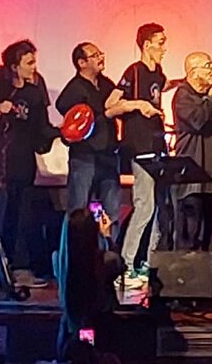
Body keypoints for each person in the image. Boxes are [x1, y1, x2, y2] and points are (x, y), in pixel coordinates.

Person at [0, 40, 55, 290]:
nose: (34, 67)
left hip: (22, 164)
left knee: (20, 217)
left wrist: (64, 133)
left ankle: (15, 269)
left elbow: (41, 128)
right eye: (29, 62)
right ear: (14, 66)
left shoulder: (35, 90)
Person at [56, 43, 146, 280]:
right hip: (84, 157)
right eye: (94, 55)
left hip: (108, 156)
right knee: (78, 212)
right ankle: (75, 266)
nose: (100, 58)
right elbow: (67, 112)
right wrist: (104, 114)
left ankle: (110, 263)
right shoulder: (74, 89)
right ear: (81, 62)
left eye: (100, 54)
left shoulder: (106, 84)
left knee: (112, 211)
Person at [117, 23, 169, 280]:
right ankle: (126, 263)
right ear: (147, 45)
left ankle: (149, 260)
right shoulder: (134, 71)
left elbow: (161, 89)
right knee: (144, 206)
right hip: (140, 147)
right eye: (160, 43)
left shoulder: (158, 73)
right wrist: (138, 105)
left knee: (159, 206)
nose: (164, 48)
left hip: (157, 144)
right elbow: (111, 105)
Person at [171, 52, 212, 251]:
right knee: (191, 233)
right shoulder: (183, 95)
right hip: (193, 179)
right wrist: (211, 97)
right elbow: (197, 120)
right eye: (208, 65)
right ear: (193, 72)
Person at [55, 207, 123, 357]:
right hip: (101, 333)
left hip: (70, 333)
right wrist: (107, 236)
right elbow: (119, 264)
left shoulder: (59, 261)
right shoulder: (104, 261)